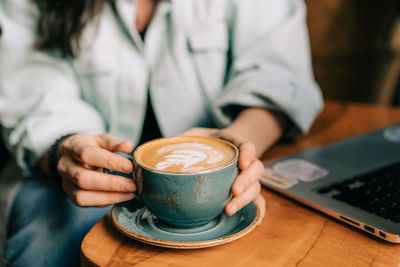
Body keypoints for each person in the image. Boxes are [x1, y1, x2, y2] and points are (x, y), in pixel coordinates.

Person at [0, 0, 323, 266]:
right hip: (73, 181)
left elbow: (278, 76)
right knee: (53, 244)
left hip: (221, 175)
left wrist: (237, 144)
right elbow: (36, 95)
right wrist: (65, 148)